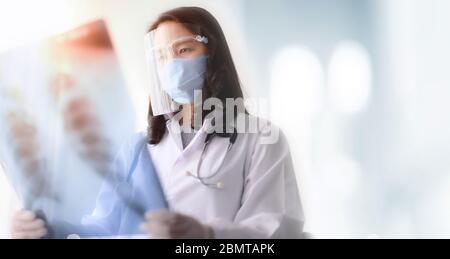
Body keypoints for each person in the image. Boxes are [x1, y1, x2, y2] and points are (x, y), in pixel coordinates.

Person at [11, 6, 304, 239]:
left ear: (213, 54)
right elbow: (103, 227)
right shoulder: (139, 146)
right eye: (162, 56)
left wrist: (207, 235)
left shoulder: (260, 139)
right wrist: (53, 230)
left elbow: (274, 232)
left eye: (183, 50)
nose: (172, 64)